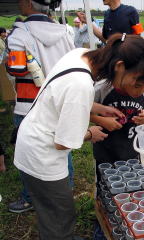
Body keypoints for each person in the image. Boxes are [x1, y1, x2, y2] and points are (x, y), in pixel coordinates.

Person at [14, 33, 144, 240]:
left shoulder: (80, 55)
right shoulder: (82, 85)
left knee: (56, 212)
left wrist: (99, 108)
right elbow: (63, 142)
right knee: (59, 215)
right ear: (120, 66)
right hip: (42, 155)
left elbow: (65, 97)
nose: (131, 86)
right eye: (135, 78)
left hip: (33, 135)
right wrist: (91, 132)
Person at [6, 0, 74, 213]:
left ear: (28, 3)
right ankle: (66, 192)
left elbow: (16, 69)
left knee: (28, 154)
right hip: (59, 102)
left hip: (29, 106)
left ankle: (29, 198)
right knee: (63, 148)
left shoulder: (19, 35)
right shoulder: (65, 32)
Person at [91, 33, 144, 181]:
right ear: (120, 68)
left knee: (132, 183)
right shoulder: (102, 88)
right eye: (137, 85)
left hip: (133, 150)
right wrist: (101, 121)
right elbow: (84, 112)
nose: (141, 90)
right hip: (106, 149)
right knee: (105, 183)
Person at [77, 0, 144, 43]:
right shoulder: (107, 14)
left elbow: (138, 37)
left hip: (127, 57)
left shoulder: (131, 11)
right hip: (111, 57)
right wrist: (88, 22)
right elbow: (105, 39)